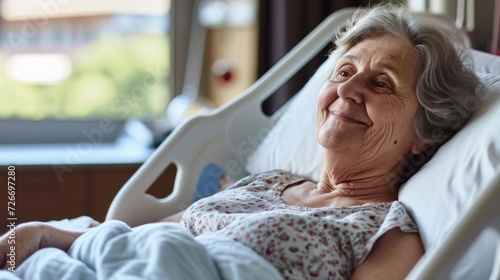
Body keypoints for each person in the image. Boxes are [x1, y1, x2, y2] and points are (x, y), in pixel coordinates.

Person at [0, 3, 480, 280]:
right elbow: (148, 238)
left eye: (381, 84)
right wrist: (46, 234)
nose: (348, 92)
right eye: (345, 72)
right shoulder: (267, 181)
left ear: (424, 133)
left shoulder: (388, 233)